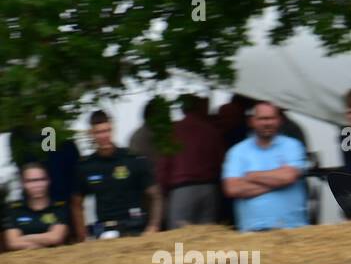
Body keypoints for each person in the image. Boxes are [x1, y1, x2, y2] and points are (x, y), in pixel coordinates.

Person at [71, 110, 162, 241]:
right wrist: (83, 237)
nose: (104, 136)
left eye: (107, 131)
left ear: (113, 130)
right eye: (99, 132)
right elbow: (76, 204)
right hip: (106, 232)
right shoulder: (86, 167)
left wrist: (153, 227)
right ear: (91, 134)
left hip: (136, 228)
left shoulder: (132, 160)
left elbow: (155, 195)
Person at [221, 101, 309, 232]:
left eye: (271, 118)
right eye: (262, 119)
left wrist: (251, 176)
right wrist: (278, 181)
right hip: (252, 231)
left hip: (292, 229)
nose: (267, 123)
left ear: (279, 120)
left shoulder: (292, 146)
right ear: (251, 121)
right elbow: (232, 188)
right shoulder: (237, 151)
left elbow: (289, 177)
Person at [157, 94, 224, 227]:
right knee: (208, 237)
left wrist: (163, 190)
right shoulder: (211, 130)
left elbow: (164, 165)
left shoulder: (173, 130)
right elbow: (221, 161)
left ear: (182, 109)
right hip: (209, 188)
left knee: (180, 237)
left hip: (182, 190)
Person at [4, 163, 69, 250]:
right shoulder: (15, 210)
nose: (37, 185)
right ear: (23, 184)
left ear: (48, 181)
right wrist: (41, 245)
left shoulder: (59, 207)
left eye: (41, 180)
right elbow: (12, 243)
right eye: (30, 181)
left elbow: (56, 238)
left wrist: (24, 238)